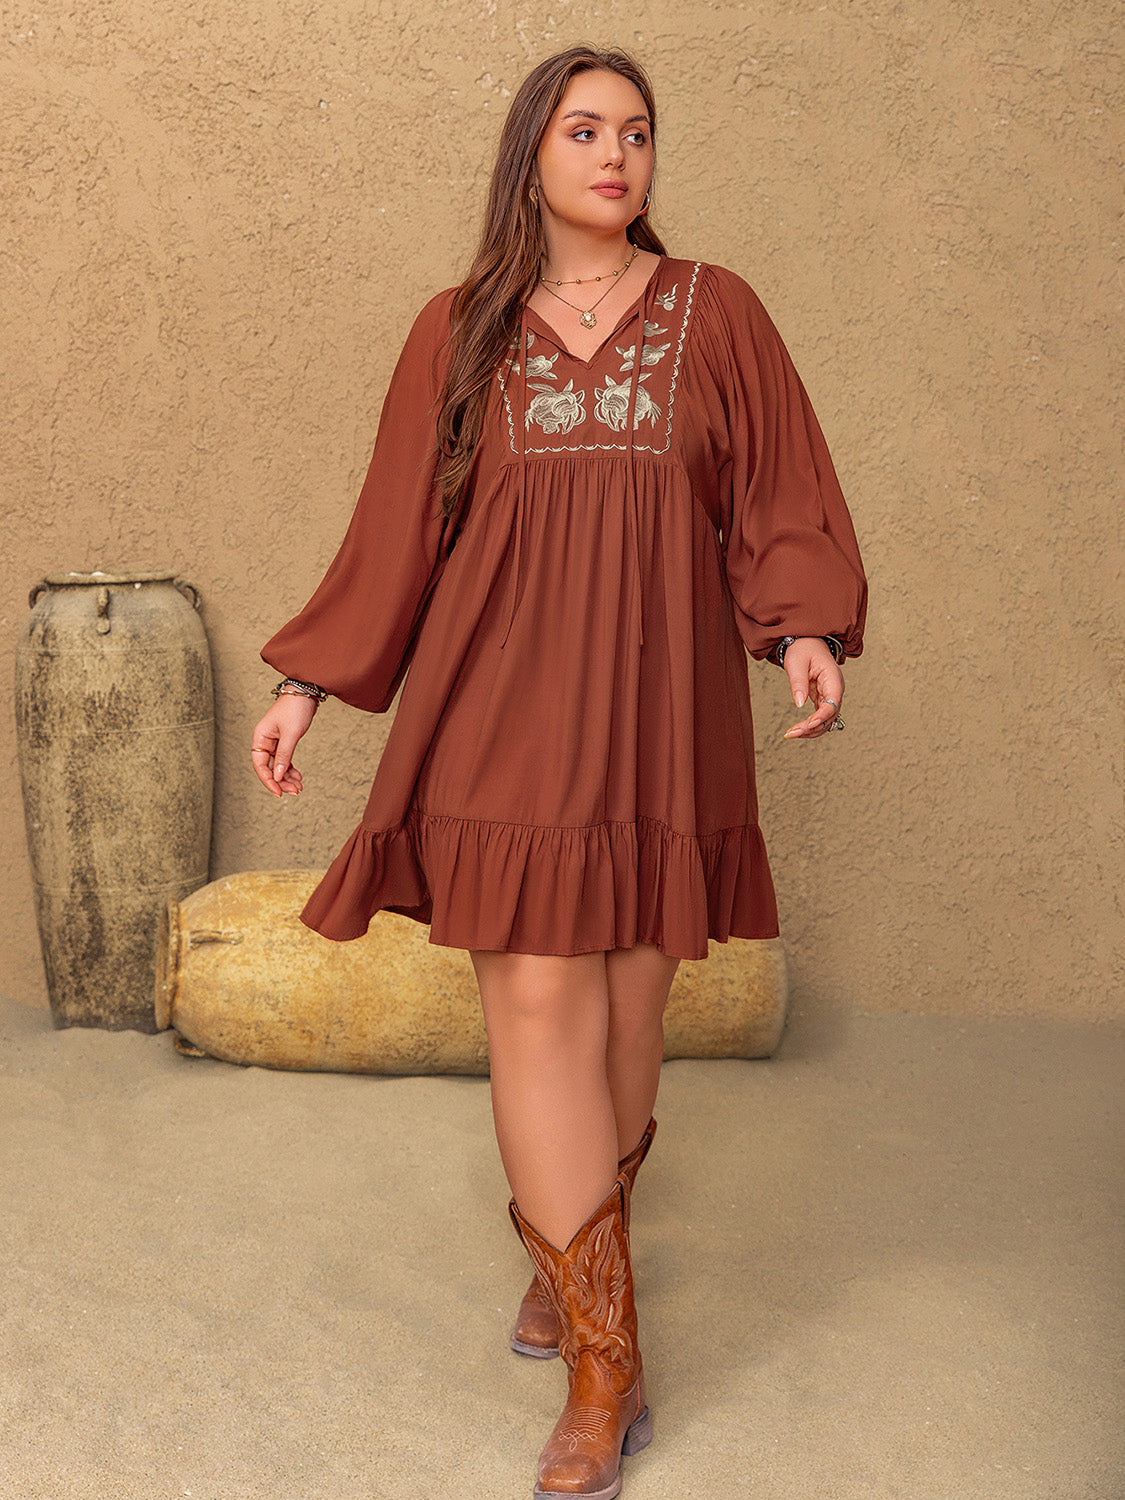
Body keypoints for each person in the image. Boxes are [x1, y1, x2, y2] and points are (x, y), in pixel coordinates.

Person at [250, 43, 866, 1500]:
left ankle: (565, 1241)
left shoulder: (716, 310)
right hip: (500, 707)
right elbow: (396, 525)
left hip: (660, 710)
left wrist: (802, 630)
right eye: (584, 130)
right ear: (530, 154)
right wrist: (305, 684)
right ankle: (605, 1364)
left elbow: (775, 488)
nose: (615, 155)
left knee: (628, 1014)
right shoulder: (458, 326)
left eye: (636, 132)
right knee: (537, 995)